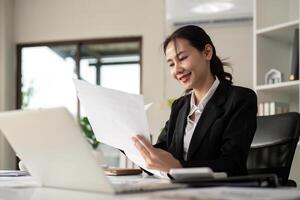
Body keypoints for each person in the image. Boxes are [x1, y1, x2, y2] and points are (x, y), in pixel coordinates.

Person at [132, 25, 257, 176]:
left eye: (182, 58)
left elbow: (232, 164)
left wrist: (179, 168)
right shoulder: (180, 106)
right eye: (171, 64)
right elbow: (161, 152)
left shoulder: (240, 99)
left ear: (207, 52)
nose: (176, 70)